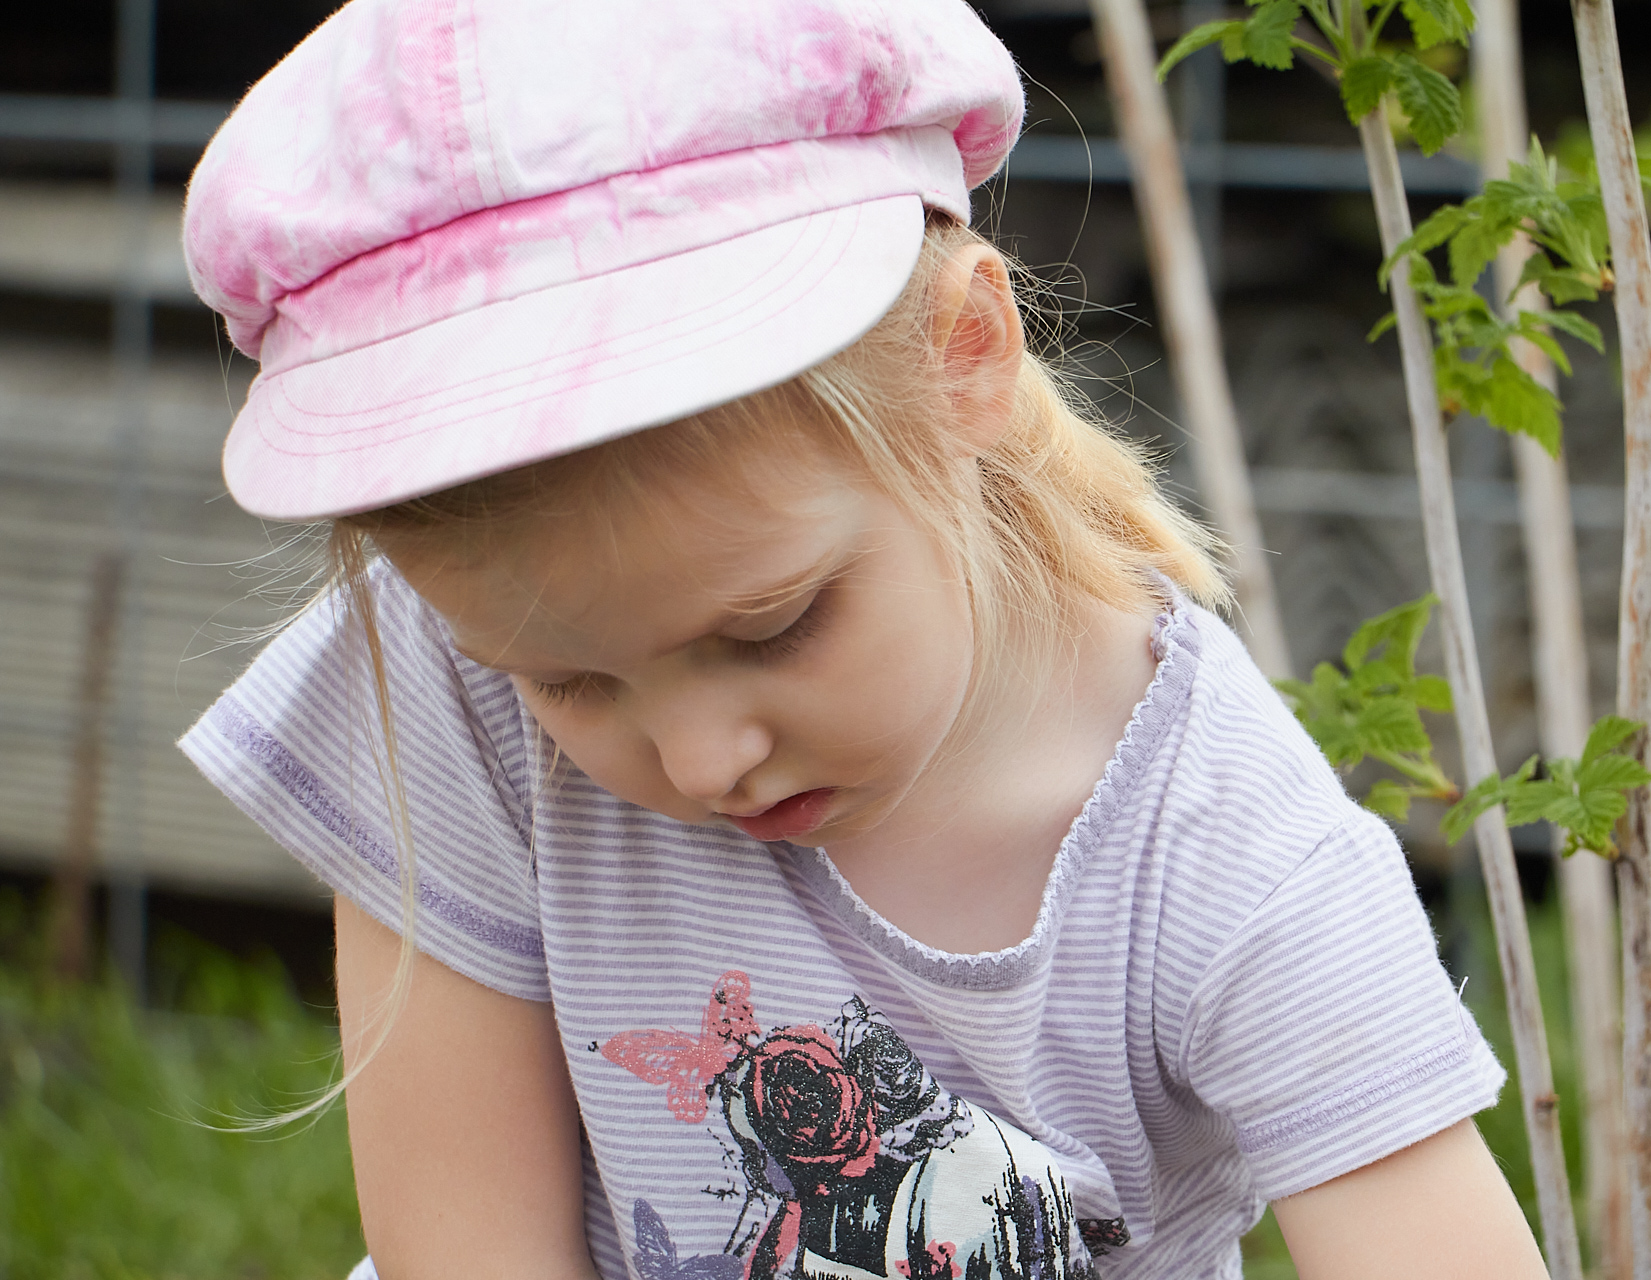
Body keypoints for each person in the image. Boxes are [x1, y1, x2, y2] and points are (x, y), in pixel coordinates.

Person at [177, 1, 1551, 1277]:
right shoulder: (447, 673)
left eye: (773, 625)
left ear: (967, 357)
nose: (703, 759)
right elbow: (467, 1247)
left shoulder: (1227, 860)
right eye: (568, 682)